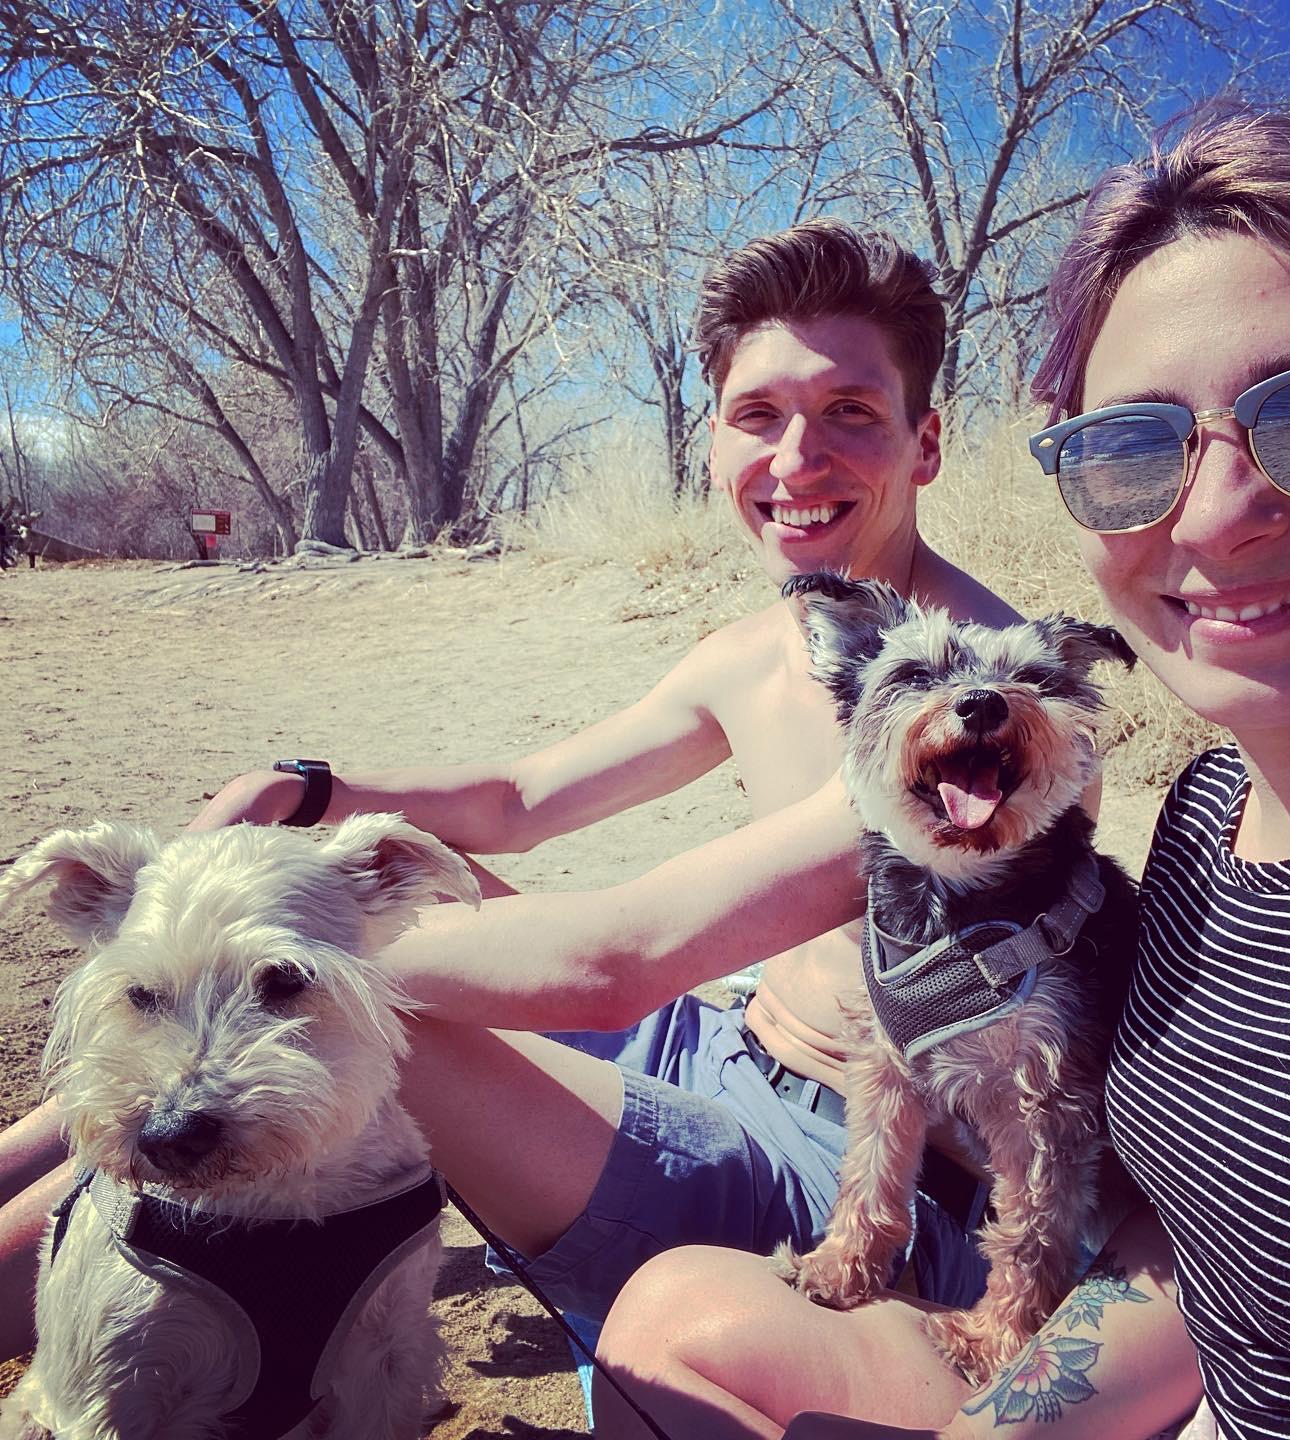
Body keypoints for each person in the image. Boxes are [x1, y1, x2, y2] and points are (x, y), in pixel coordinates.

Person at [0, 221, 1022, 1360]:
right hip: (720, 1050)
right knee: (315, 959)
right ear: (714, 444)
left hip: (855, 1181)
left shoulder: (975, 701)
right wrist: (303, 791)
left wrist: (263, 944)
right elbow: (521, 801)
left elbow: (610, 966)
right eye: (758, 417)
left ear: (924, 443)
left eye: (850, 414)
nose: (794, 461)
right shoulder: (772, 639)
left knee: (332, 1016)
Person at [588, 100, 1290, 1440]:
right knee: (659, 1331)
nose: (1218, 513)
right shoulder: (1215, 814)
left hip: (1032, 1268)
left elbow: (620, 955)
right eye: (1135, 447)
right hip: (1124, 1342)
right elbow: (1206, 1254)